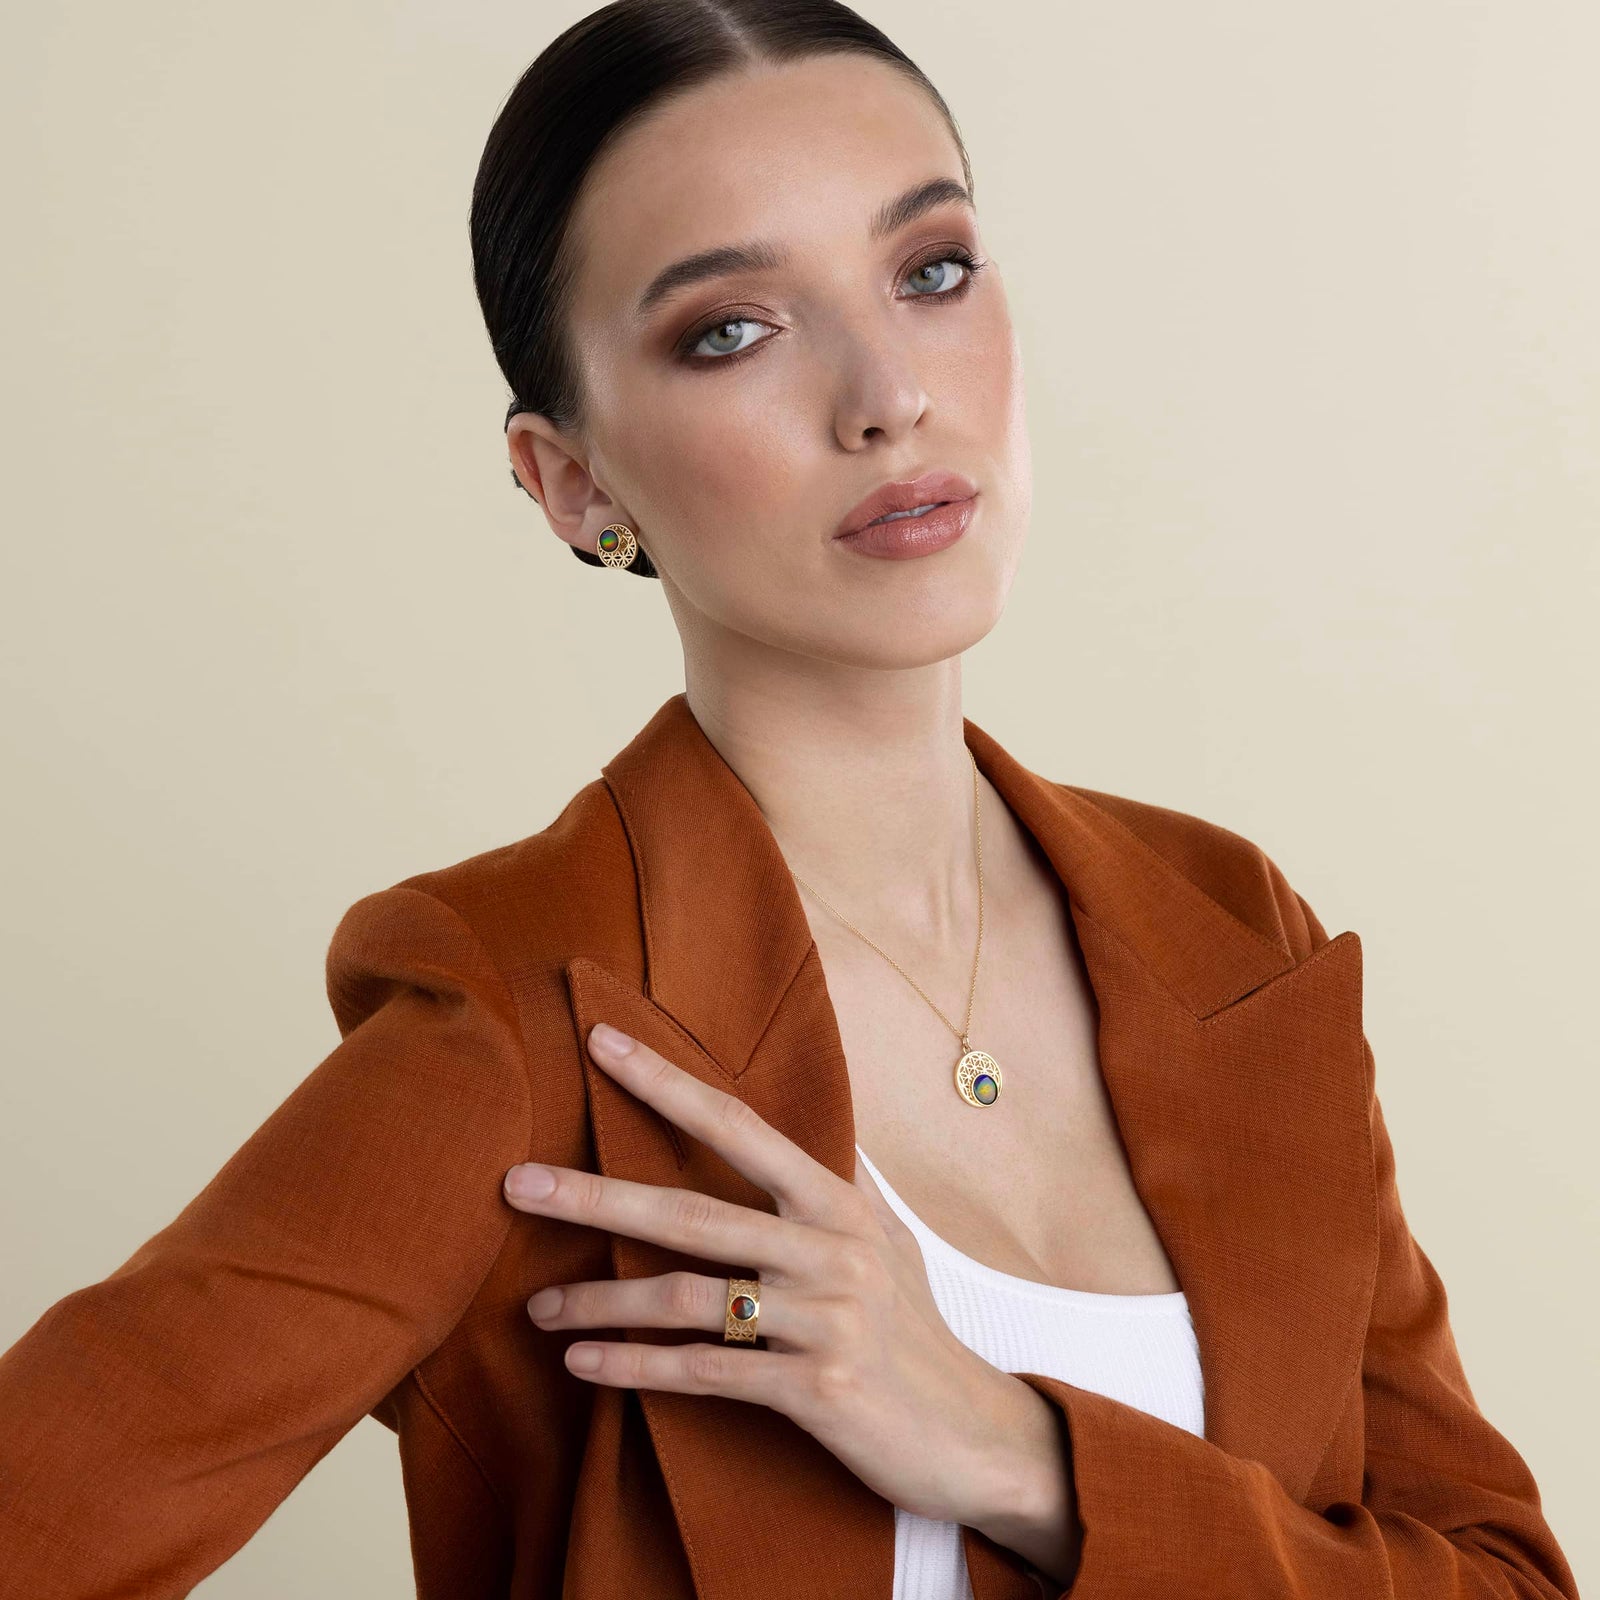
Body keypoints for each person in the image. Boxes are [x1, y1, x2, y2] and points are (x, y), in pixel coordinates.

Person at [0, 3, 1579, 1597]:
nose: (887, 393)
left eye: (931, 270)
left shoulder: (1226, 929)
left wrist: (1022, 1462)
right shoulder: (532, 1016)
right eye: (731, 331)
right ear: (573, 482)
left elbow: (1503, 1578)